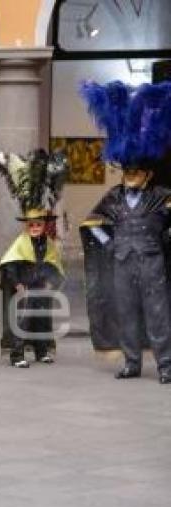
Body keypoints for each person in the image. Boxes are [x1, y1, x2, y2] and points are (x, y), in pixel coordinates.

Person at [80, 80, 171, 383]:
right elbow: (92, 223)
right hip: (121, 261)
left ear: (148, 174)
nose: (130, 176)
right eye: (127, 171)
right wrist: (109, 243)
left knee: (158, 314)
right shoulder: (113, 197)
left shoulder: (161, 196)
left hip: (151, 262)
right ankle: (132, 362)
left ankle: (166, 365)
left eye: (136, 172)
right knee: (126, 313)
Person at [0, 150, 68, 368]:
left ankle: (41, 351)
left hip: (40, 287)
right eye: (31, 225)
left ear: (44, 226)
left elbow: (53, 264)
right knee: (22, 320)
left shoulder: (48, 244)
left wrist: (52, 282)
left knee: (41, 320)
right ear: (27, 225)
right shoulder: (20, 244)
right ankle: (17, 354)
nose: (34, 228)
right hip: (23, 288)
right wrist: (17, 284)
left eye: (38, 225)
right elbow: (10, 265)